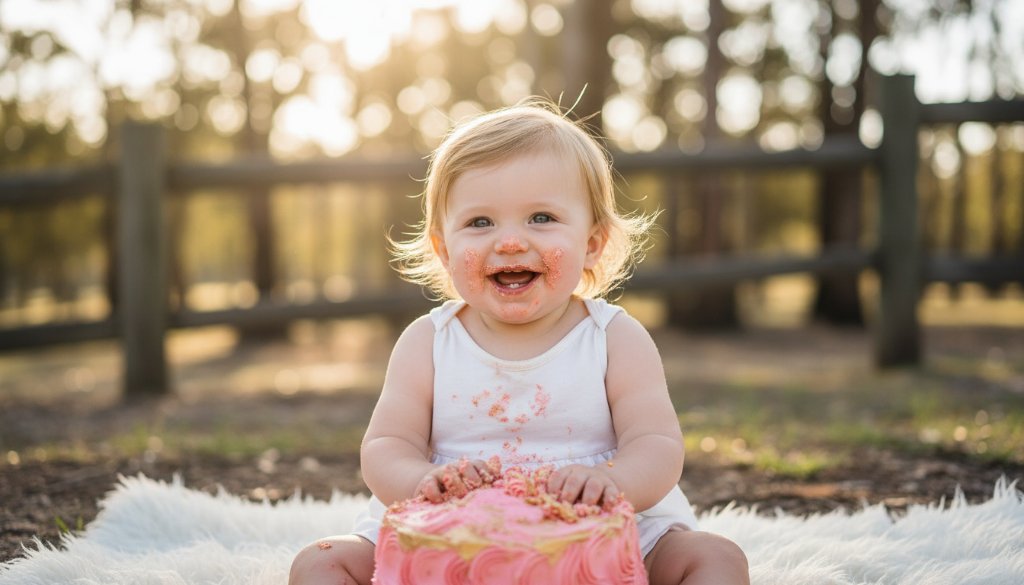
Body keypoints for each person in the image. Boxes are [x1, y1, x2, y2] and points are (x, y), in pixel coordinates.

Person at [289, 99, 750, 585]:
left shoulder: (612, 337)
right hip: (449, 531)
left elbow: (656, 443)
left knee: (715, 557)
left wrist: (614, 483)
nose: (510, 242)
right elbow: (387, 443)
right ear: (445, 249)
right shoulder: (429, 341)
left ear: (591, 242)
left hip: (605, 528)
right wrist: (420, 483)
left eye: (541, 218)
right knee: (320, 562)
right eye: (480, 223)